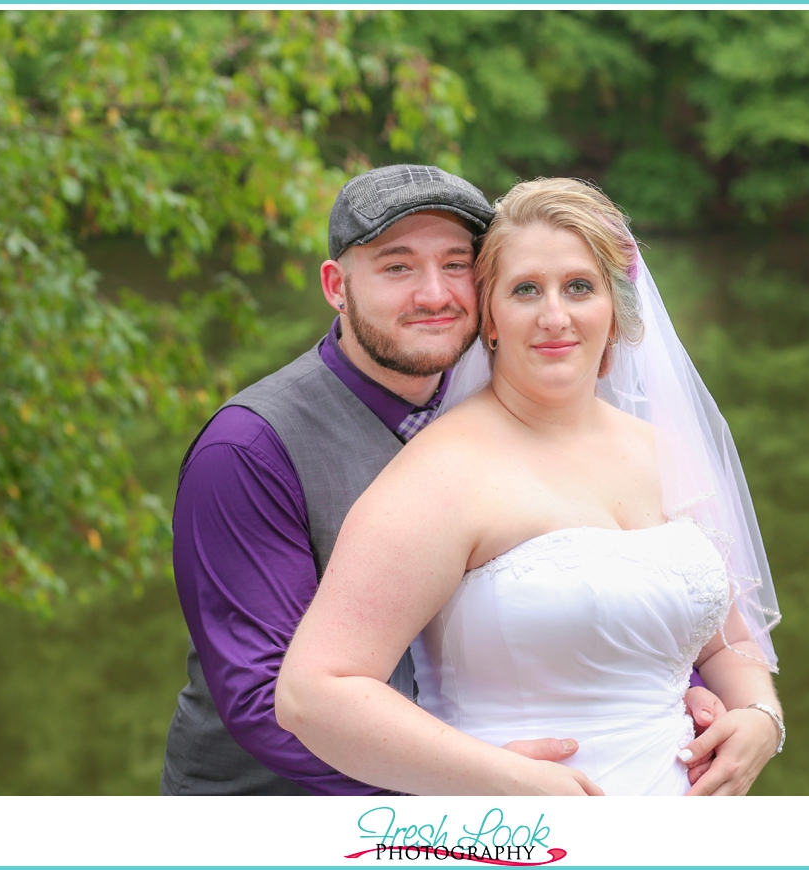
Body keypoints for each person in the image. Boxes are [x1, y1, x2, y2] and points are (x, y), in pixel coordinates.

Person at [161, 166, 737, 796]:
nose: (434, 295)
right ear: (336, 286)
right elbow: (269, 701)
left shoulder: (505, 404)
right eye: (397, 267)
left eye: (456, 265)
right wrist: (476, 784)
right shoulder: (248, 449)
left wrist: (681, 686)